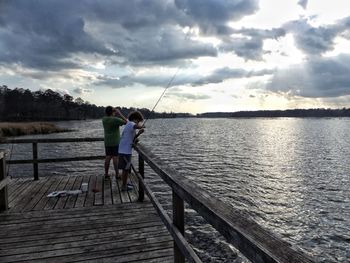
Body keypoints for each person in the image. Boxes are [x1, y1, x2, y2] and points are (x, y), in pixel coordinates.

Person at [118, 111, 144, 191]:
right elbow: (139, 126)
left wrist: (138, 134)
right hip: (125, 151)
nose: (139, 122)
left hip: (123, 150)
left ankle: (124, 183)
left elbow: (131, 139)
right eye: (138, 121)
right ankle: (124, 187)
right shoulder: (131, 124)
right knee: (126, 169)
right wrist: (142, 126)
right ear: (135, 119)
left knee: (125, 169)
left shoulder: (129, 124)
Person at [102, 106, 127, 179]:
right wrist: (119, 113)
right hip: (115, 142)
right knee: (115, 158)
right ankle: (117, 174)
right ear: (113, 112)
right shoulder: (115, 120)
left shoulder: (104, 119)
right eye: (114, 111)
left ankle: (106, 174)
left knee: (108, 157)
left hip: (107, 142)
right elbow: (126, 122)